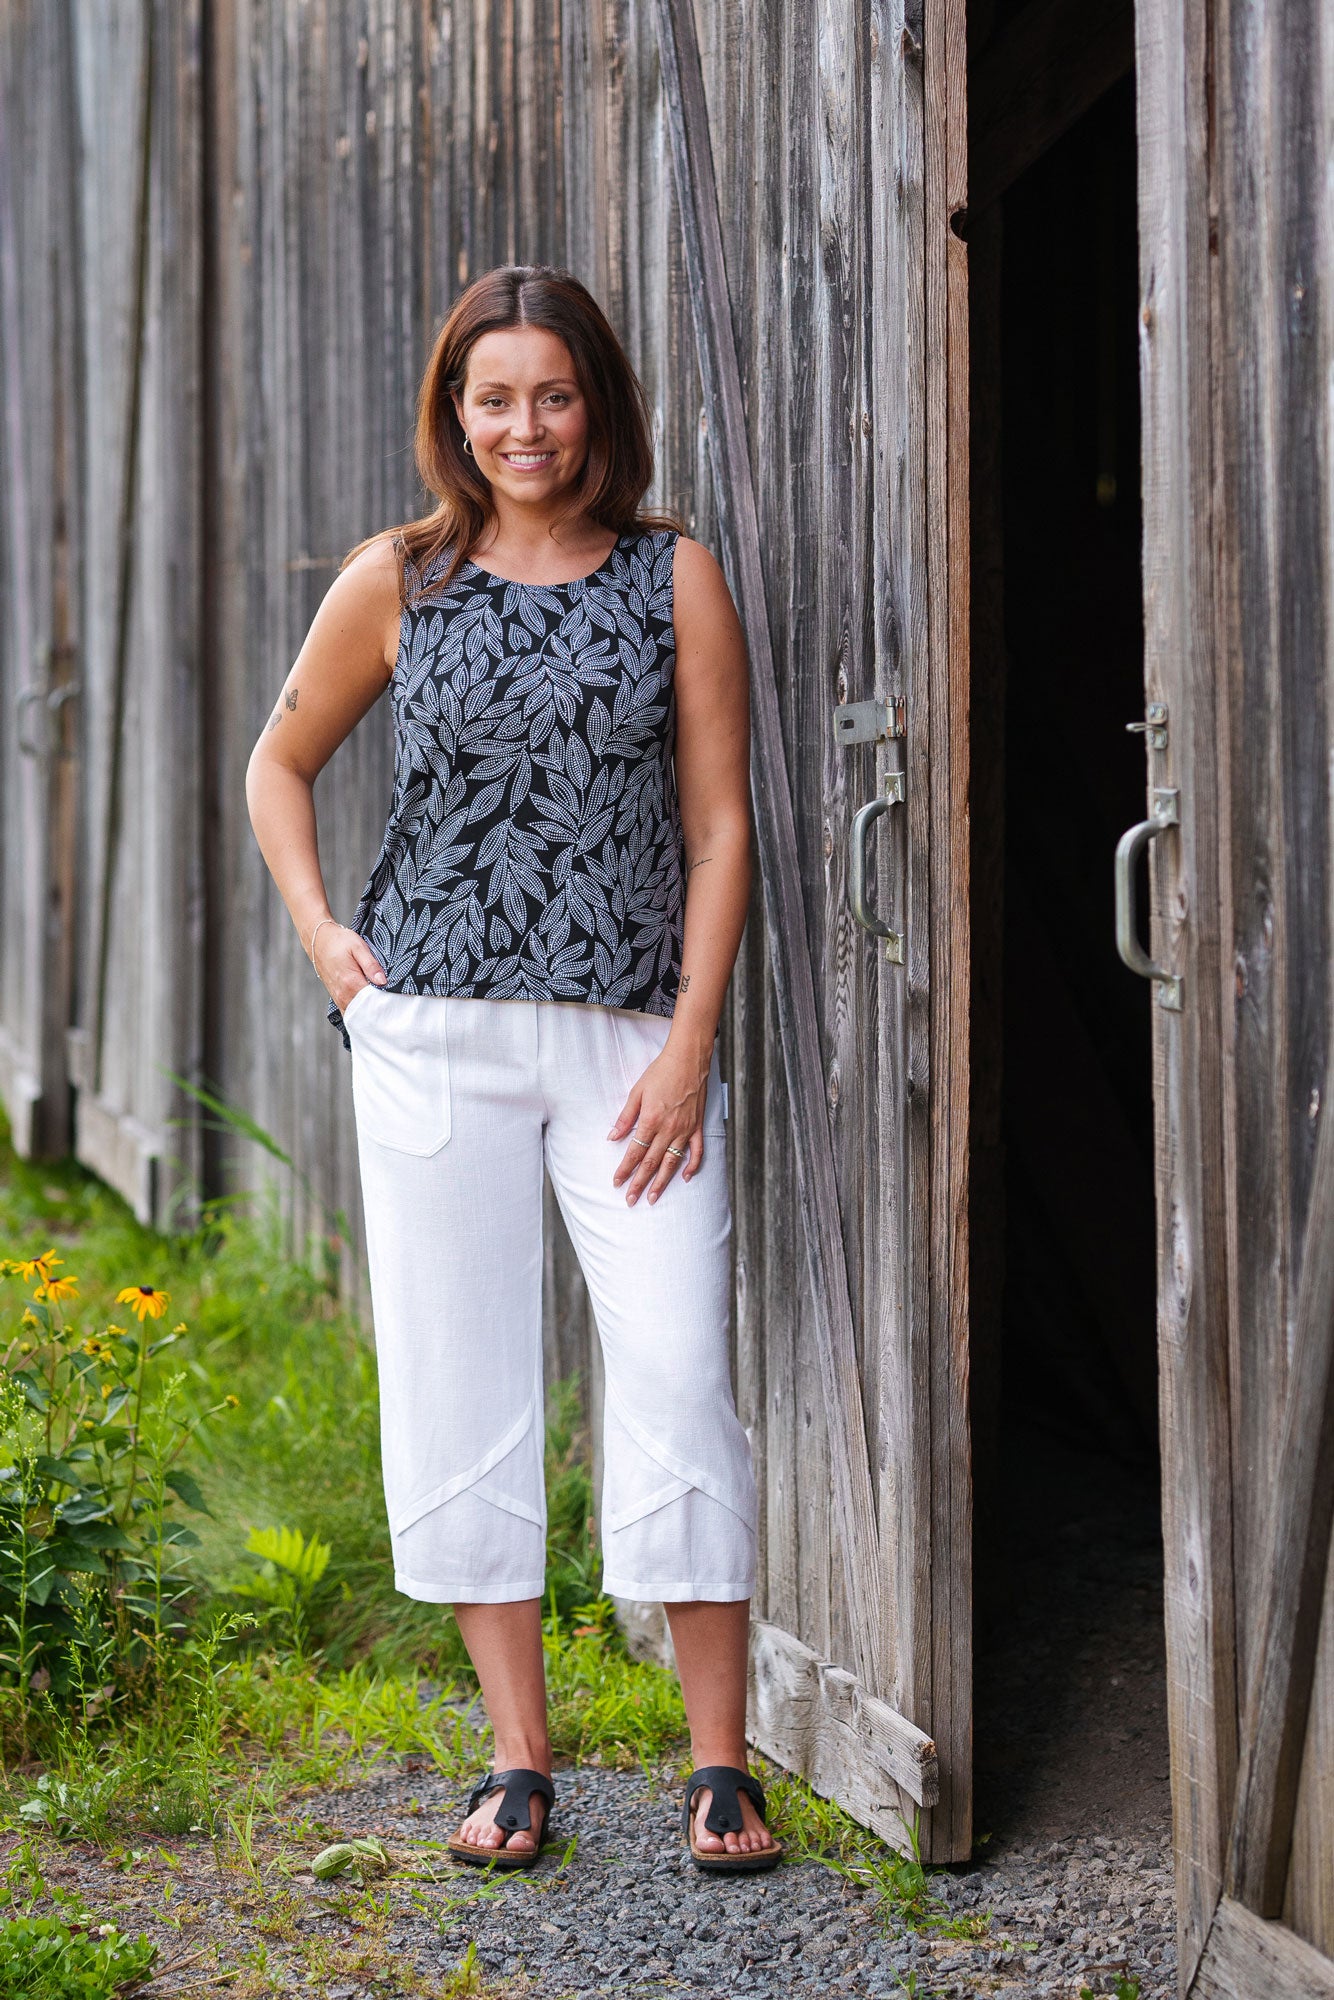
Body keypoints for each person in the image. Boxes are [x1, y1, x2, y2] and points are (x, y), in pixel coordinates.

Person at [245, 264, 781, 1873]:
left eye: (552, 394)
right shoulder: (396, 580)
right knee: (459, 1379)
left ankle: (718, 1767)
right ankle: (518, 1760)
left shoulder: (673, 575)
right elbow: (278, 762)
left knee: (680, 1363)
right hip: (436, 1041)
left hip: (630, 1044)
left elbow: (719, 825)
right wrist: (332, 944)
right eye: (495, 398)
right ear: (454, 412)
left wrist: (691, 1042)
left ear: (594, 404)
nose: (524, 426)